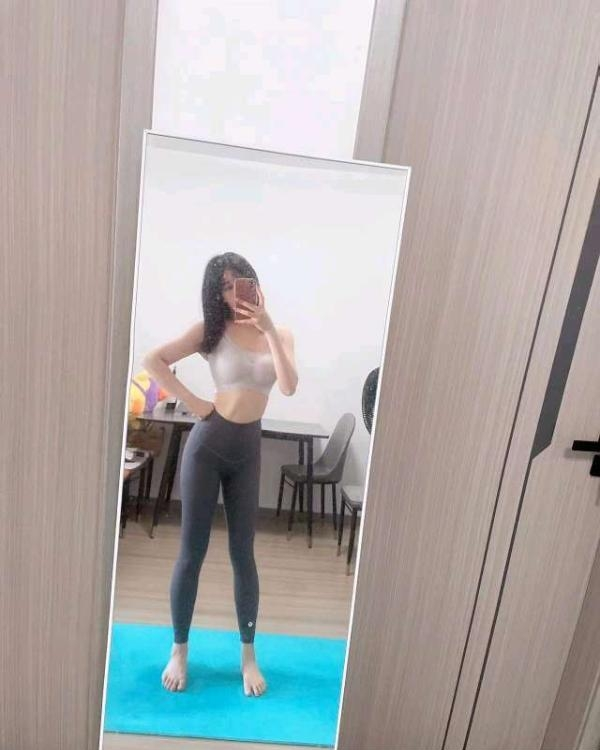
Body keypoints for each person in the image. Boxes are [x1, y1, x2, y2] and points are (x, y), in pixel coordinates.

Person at [142, 252, 298, 698]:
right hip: (208, 447)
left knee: (243, 554)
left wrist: (268, 328)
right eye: (225, 286)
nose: (233, 293)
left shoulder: (280, 333)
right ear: (216, 293)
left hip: (248, 452)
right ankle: (179, 651)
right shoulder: (210, 331)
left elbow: (288, 386)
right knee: (191, 553)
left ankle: (248, 657)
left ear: (254, 281)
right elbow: (153, 359)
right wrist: (196, 403)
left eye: (240, 282)